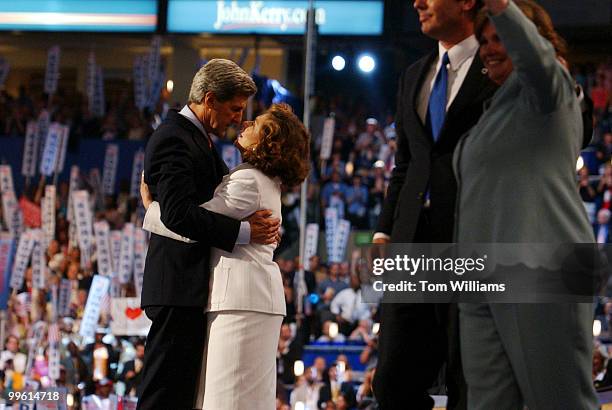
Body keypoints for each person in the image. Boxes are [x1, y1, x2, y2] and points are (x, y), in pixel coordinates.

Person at [453, 1, 599, 408]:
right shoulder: (493, 112)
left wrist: (500, 6)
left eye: (499, 37)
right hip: (482, 277)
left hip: (544, 270)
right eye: (483, 40)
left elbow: (537, 60)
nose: (489, 48)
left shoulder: (550, 90)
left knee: (559, 402)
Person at [142, 103, 310, 409]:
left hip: (241, 302)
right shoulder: (261, 180)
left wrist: (150, 207)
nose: (244, 123)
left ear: (268, 141)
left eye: (255, 124)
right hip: (250, 299)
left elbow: (188, 221)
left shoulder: (248, 180)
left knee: (225, 399)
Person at [372, 0, 496, 408]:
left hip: (473, 242)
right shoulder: (413, 75)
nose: (417, 3)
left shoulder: (499, 63)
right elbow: (406, 161)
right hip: (410, 243)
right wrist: (384, 229)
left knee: (467, 379)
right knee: (392, 380)